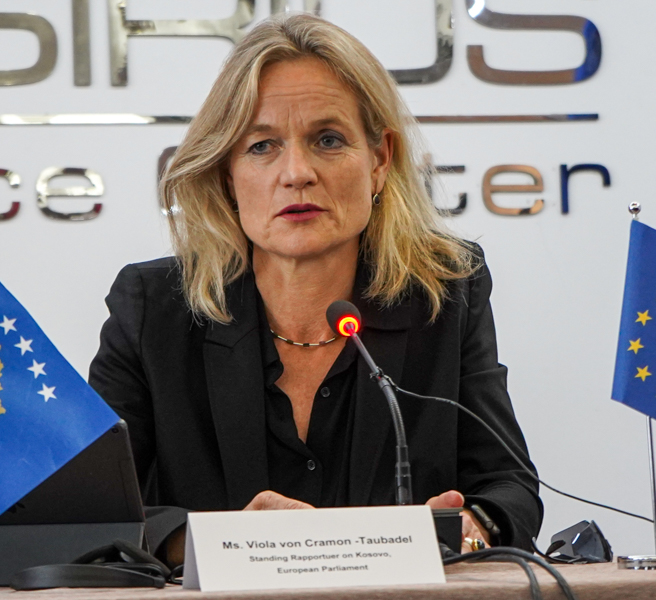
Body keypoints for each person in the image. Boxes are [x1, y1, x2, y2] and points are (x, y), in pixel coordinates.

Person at [89, 13, 542, 564]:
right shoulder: (152, 308)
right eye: (262, 146)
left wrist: (468, 527)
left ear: (380, 160)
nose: (297, 172)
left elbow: (509, 487)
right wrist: (218, 542)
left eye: (328, 140)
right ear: (227, 172)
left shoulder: (444, 291)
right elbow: (93, 514)